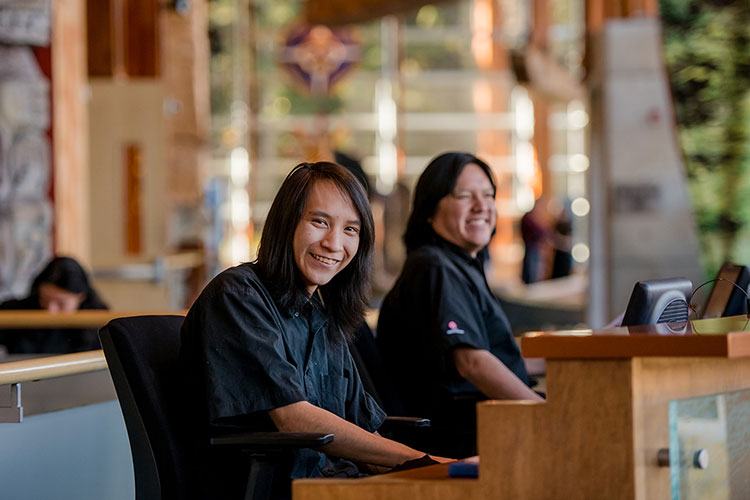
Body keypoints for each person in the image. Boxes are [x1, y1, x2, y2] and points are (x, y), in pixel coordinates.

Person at [179, 162, 449, 499]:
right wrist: (419, 461)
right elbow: (294, 418)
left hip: (336, 483)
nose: (334, 244)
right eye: (319, 222)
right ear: (286, 222)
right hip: (278, 490)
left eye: (351, 229)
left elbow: (364, 434)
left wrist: (438, 472)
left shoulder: (321, 314)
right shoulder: (238, 296)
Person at [377, 152, 544, 459]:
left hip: (479, 426)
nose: (481, 206)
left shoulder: (458, 264)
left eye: (488, 195)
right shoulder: (434, 267)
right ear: (430, 209)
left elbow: (494, 356)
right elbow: (472, 362)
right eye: (464, 196)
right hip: (456, 440)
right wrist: (544, 412)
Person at [0, 256, 108, 354]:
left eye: (61, 303)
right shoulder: (15, 312)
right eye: (44, 299)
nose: (51, 310)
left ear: (81, 297)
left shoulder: (99, 322)